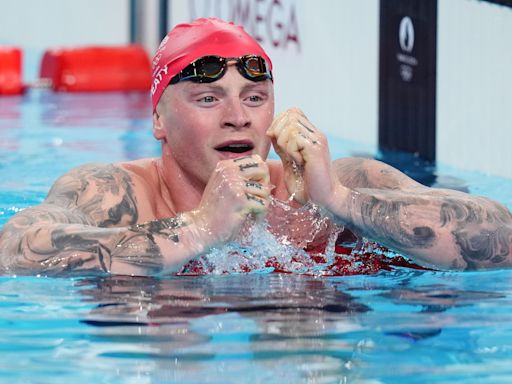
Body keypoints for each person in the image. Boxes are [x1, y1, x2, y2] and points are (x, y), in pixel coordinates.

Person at [0, 18, 511, 276]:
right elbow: (14, 253)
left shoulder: (336, 186)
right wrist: (199, 229)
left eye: (254, 97)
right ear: (157, 117)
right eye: (207, 98)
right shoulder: (116, 192)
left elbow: (502, 237)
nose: (237, 116)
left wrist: (340, 201)